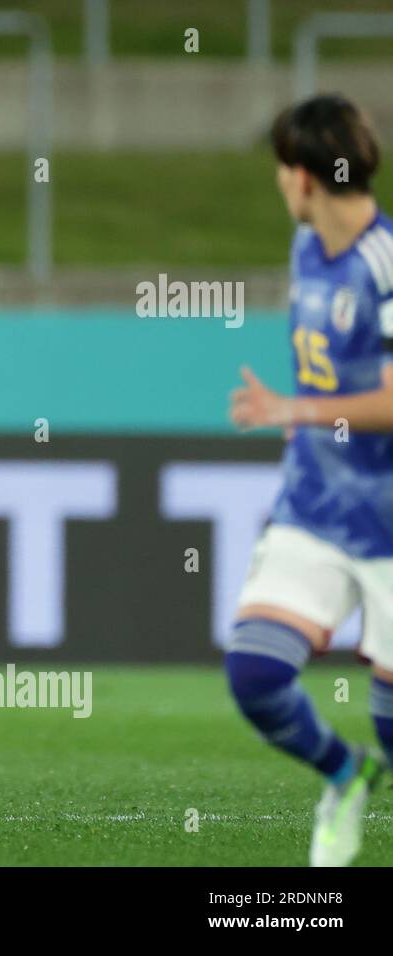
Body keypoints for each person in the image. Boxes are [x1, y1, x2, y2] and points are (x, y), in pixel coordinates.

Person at [228, 93, 393, 866]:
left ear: (300, 177)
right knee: (257, 674)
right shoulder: (305, 249)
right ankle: (343, 772)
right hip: (318, 505)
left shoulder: (383, 265)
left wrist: (288, 407)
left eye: (279, 170)